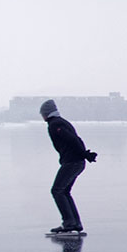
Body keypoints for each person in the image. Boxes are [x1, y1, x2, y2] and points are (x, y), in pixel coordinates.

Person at [40, 99, 97, 233]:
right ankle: (74, 223)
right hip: (75, 161)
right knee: (64, 191)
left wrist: (84, 154)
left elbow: (73, 139)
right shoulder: (60, 122)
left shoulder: (55, 124)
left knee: (57, 190)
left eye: (42, 114)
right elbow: (76, 139)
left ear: (46, 113)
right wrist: (85, 155)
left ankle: (69, 223)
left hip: (73, 162)